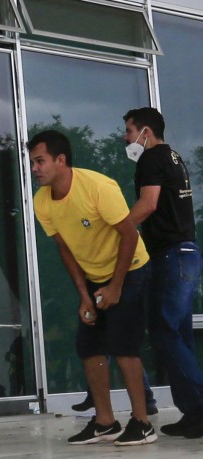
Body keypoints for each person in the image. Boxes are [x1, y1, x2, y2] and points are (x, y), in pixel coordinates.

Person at [29, 130, 155, 446]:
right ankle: (105, 422)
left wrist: (115, 286)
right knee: (89, 346)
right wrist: (84, 295)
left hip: (131, 269)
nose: (35, 169)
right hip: (93, 276)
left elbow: (129, 236)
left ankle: (142, 423)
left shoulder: (98, 187)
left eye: (40, 161)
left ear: (61, 160)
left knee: (124, 345)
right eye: (32, 162)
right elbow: (65, 249)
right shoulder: (42, 200)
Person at [123, 107, 203, 438]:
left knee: (163, 332)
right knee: (179, 334)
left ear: (146, 132)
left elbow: (149, 202)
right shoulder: (173, 157)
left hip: (171, 256)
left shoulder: (151, 158)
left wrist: (120, 229)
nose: (126, 138)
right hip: (185, 254)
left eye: (129, 131)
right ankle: (193, 413)